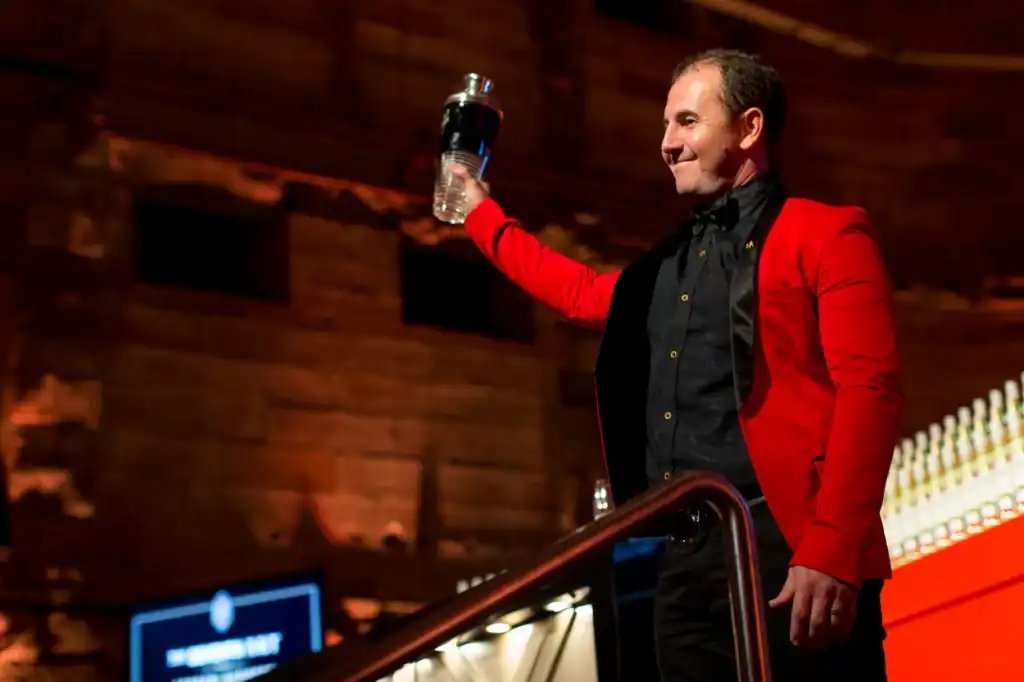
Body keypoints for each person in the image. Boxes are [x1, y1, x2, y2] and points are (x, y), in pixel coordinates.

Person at [453, 48, 903, 681]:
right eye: (665, 126)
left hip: (794, 546)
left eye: (687, 122)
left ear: (748, 129)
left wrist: (831, 550)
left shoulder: (827, 233)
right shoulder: (666, 267)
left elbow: (871, 390)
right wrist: (479, 211)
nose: (667, 144)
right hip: (687, 559)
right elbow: (580, 294)